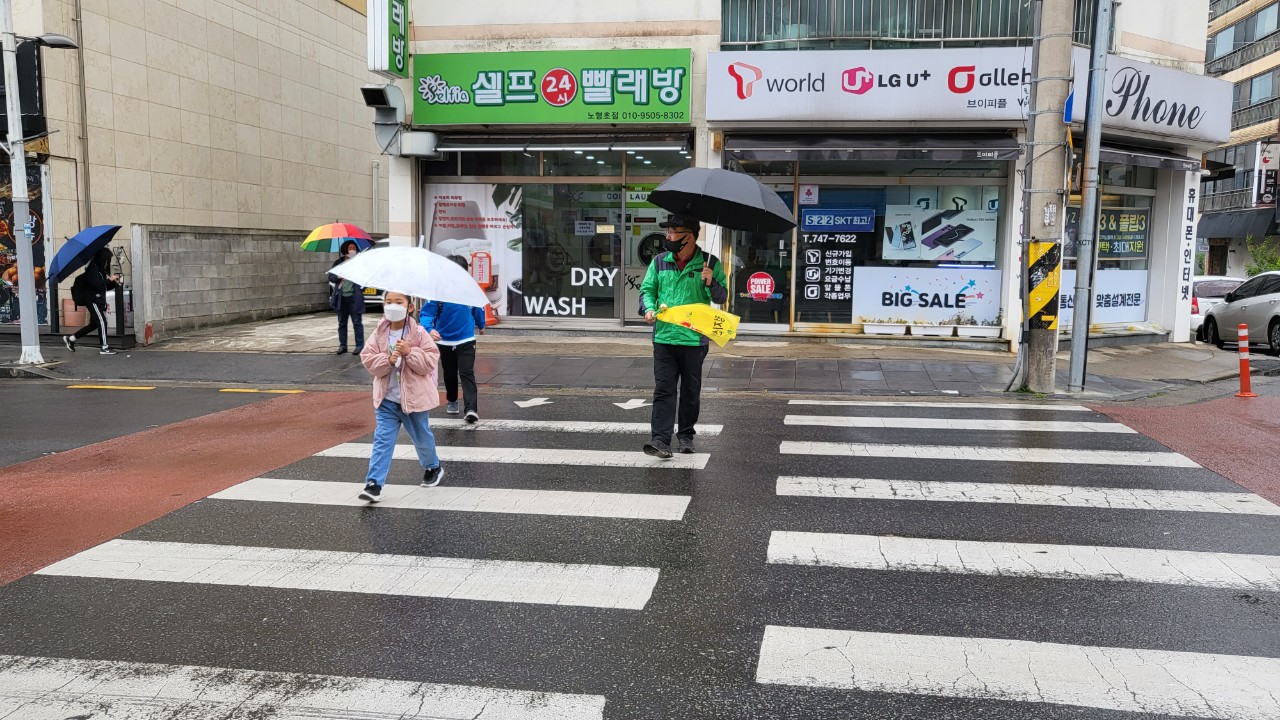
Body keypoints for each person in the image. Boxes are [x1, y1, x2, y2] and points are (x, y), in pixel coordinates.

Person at [639, 213, 728, 459]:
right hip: (664, 338)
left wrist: (711, 282)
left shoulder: (710, 263)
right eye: (668, 232)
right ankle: (660, 440)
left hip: (694, 339)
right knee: (664, 389)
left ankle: (686, 435)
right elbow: (647, 290)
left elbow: (722, 297)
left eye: (672, 232)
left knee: (690, 390)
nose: (668, 236)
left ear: (688, 236)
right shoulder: (659, 262)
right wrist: (647, 308)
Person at [358, 291, 444, 502]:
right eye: (388, 302)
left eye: (398, 302)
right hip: (386, 399)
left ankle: (433, 467)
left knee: (422, 437)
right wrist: (387, 360)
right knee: (382, 440)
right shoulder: (379, 333)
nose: (392, 306)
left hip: (414, 400)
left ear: (410, 307)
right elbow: (368, 360)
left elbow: (429, 363)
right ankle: (374, 483)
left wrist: (409, 352)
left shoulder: (419, 333)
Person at [420, 300, 486, 423]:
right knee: (449, 373)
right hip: (444, 340)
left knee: (467, 373)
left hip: (466, 339)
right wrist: (429, 329)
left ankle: (471, 409)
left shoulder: (468, 292)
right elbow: (427, 313)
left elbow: (477, 308)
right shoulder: (438, 294)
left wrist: (481, 324)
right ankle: (452, 399)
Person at [62, 247, 121, 355]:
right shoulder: (92, 269)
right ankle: (104, 347)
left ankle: (71, 339)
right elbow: (96, 284)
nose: (108, 262)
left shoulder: (99, 269)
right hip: (92, 299)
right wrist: (109, 280)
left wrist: (113, 283)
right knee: (102, 322)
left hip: (97, 298)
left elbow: (103, 286)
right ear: (103, 258)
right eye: (107, 259)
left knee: (94, 324)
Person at [328, 240, 365, 355]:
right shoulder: (338, 263)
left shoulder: (359, 263)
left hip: (354, 298)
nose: (352, 250)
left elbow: (365, 278)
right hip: (341, 298)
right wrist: (338, 276)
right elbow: (331, 277)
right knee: (342, 323)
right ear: (345, 250)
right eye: (350, 248)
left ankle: (359, 346)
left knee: (357, 322)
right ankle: (342, 345)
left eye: (354, 248)